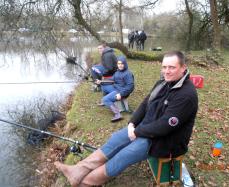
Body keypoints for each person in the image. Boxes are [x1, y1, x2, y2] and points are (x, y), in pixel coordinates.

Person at [54, 51, 198, 187]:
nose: (166, 71)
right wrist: (132, 124)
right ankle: (77, 170)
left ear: (183, 68)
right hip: (146, 128)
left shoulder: (186, 95)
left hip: (165, 141)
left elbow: (164, 126)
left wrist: (138, 131)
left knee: (123, 156)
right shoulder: (163, 82)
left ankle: (85, 183)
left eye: (172, 67)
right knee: (115, 140)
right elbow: (145, 103)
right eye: (164, 67)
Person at [96, 55, 134, 122]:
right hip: (116, 88)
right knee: (103, 86)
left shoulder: (128, 74)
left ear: (125, 64)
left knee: (105, 99)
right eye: (119, 64)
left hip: (122, 91)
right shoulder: (117, 72)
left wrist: (121, 94)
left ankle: (117, 114)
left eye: (122, 64)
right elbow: (111, 79)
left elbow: (130, 87)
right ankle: (106, 102)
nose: (120, 65)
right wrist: (101, 82)